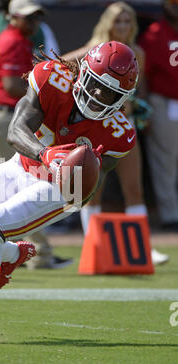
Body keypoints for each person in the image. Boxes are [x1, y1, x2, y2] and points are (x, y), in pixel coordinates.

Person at [0, 40, 139, 342]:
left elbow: (85, 190)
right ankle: (12, 253)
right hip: (22, 165)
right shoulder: (51, 78)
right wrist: (46, 154)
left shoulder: (119, 133)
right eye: (95, 85)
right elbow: (15, 130)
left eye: (109, 93)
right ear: (82, 74)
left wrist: (78, 167)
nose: (98, 95)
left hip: (60, 188)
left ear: (122, 98)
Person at [63, 1, 169, 266]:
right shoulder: (95, 50)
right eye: (117, 21)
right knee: (93, 190)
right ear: (107, 24)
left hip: (126, 125)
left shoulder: (138, 52)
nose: (122, 26)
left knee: (134, 188)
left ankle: (142, 247)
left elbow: (137, 92)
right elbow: (60, 64)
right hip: (98, 128)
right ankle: (92, 246)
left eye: (127, 21)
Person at [0, 0, 69, 270]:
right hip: (3, 115)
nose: (34, 23)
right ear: (13, 17)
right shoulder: (14, 41)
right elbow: (10, 85)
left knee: (12, 188)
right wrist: (44, 96)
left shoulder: (12, 37)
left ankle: (19, 250)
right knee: (26, 185)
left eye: (37, 18)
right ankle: (38, 253)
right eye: (28, 18)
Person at [138, 0, 178, 233]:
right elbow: (143, 74)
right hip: (164, 101)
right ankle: (170, 215)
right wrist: (146, 108)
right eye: (172, 2)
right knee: (165, 161)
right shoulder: (155, 33)